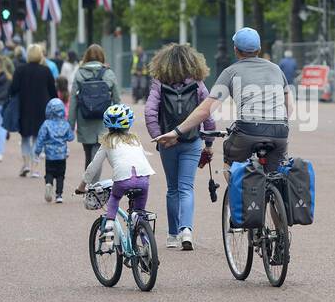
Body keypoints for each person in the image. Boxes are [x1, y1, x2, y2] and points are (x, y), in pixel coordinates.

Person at [155, 27, 294, 169]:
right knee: (276, 171)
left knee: (230, 163)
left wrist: (176, 131)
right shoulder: (276, 69)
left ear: (236, 49)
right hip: (280, 131)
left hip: (249, 130)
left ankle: (236, 190)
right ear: (259, 49)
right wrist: (278, 123)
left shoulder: (230, 72)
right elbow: (289, 103)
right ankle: (275, 189)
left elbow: (206, 109)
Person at [145, 43, 216, 250]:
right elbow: (208, 113)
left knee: (172, 189)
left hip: (168, 142)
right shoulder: (198, 84)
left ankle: (172, 234)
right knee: (187, 188)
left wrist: (161, 137)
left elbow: (150, 112)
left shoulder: (159, 83)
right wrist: (209, 142)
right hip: (192, 140)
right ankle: (187, 230)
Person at [75, 104, 154, 247]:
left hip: (123, 179)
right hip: (144, 177)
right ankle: (146, 245)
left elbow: (93, 167)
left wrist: (81, 186)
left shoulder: (107, 142)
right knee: (140, 213)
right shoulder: (135, 140)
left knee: (115, 198)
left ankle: (108, 229)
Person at [7, 44, 58, 177]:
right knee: (38, 138)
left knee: (25, 137)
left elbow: (13, 89)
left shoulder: (20, 70)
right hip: (42, 108)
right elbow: (53, 91)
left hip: (24, 107)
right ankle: (34, 167)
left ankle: (26, 164)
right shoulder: (45, 70)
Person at [70, 44, 121, 168]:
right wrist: (118, 124)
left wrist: (70, 123)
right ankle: (92, 183)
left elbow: (73, 100)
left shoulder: (79, 73)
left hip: (84, 119)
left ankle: (88, 181)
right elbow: (117, 100)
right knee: (98, 154)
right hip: (103, 120)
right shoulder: (109, 73)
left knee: (88, 154)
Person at [33, 97, 74, 202]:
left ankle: (48, 183)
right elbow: (71, 137)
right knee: (61, 175)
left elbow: (40, 138)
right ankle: (59, 195)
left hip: (50, 154)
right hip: (62, 154)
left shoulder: (46, 124)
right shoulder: (65, 123)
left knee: (49, 173)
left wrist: (37, 151)